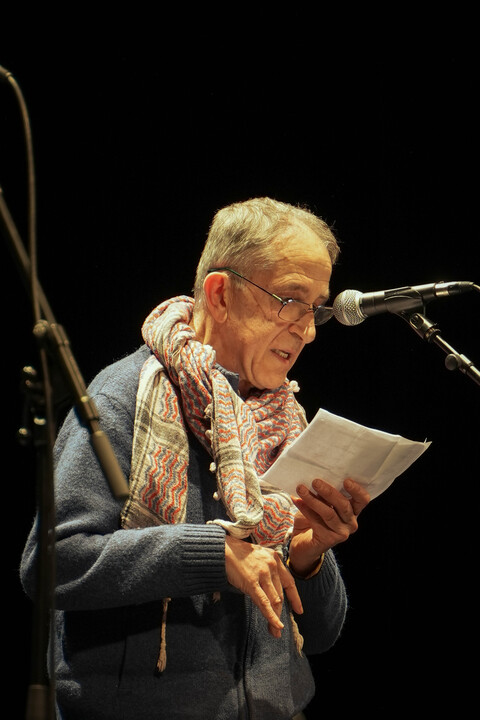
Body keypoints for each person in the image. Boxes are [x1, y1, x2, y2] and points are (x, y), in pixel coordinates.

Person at [20, 197, 370, 720]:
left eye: (315, 307)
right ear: (221, 294)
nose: (309, 329)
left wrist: (308, 556)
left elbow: (320, 635)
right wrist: (214, 554)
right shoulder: (121, 399)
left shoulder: (281, 420)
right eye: (290, 300)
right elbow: (49, 564)